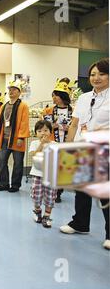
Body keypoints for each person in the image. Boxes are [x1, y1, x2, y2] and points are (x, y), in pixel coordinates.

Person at [60, 58, 109, 250]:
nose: (96, 78)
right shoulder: (83, 98)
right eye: (93, 74)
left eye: (102, 74)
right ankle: (80, 223)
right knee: (81, 189)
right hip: (81, 148)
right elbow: (74, 124)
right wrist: (68, 147)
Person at [0, 81, 30, 193]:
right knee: (2, 161)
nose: (11, 91)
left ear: (19, 92)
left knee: (18, 163)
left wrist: (21, 138)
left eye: (14, 89)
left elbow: (24, 122)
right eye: (10, 90)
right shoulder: (4, 105)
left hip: (17, 139)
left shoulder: (23, 106)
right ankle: (4, 183)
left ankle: (15, 185)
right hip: (4, 139)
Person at [42, 78, 74, 203]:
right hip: (53, 143)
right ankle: (52, 192)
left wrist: (70, 128)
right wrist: (51, 126)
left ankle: (58, 192)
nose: (54, 98)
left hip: (67, 144)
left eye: (56, 95)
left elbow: (79, 125)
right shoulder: (49, 110)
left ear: (62, 96)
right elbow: (43, 127)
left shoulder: (74, 110)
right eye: (53, 95)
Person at [29, 120, 57, 228]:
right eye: (40, 131)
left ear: (50, 132)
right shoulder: (34, 143)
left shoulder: (55, 144)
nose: (43, 133)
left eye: (46, 130)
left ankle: (47, 216)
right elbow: (34, 156)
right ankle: (37, 211)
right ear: (36, 133)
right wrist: (42, 144)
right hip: (37, 174)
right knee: (36, 195)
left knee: (50, 196)